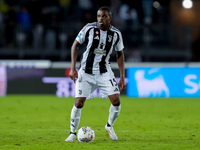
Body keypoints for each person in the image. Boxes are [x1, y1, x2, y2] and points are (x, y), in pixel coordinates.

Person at [65, 6, 126, 142]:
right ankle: (72, 133)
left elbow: (120, 54)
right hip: (86, 72)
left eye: (103, 16)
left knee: (116, 101)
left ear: (110, 18)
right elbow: (75, 45)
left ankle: (109, 126)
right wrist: (73, 68)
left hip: (104, 72)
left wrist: (122, 77)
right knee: (79, 103)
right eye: (98, 16)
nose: (100, 19)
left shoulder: (116, 34)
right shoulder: (89, 28)